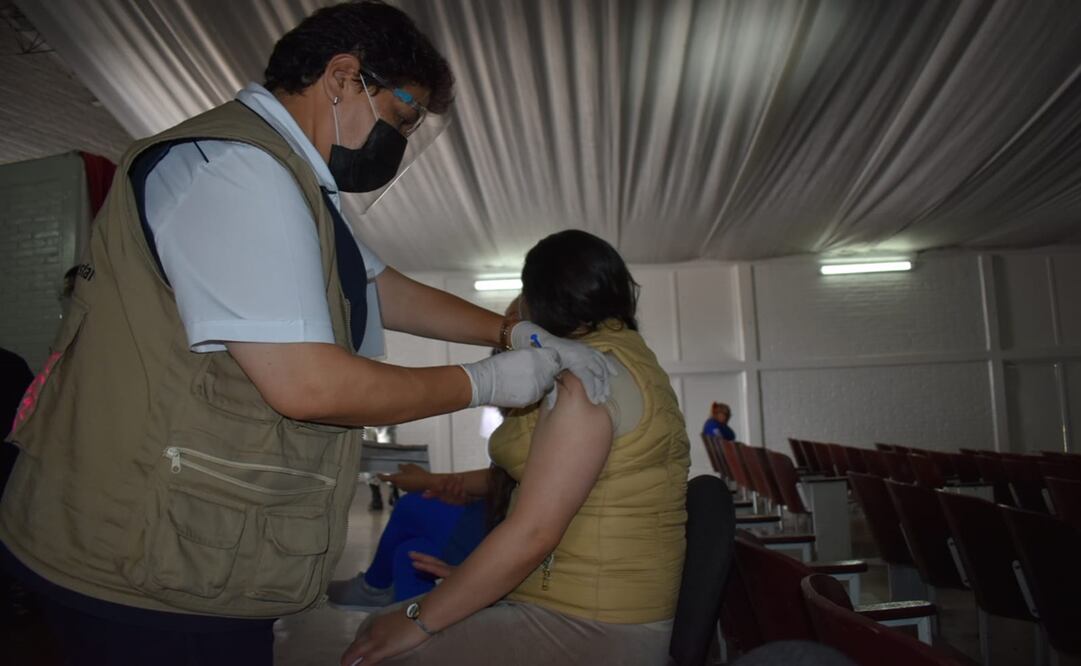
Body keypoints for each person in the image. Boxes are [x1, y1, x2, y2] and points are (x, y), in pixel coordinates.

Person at [0, 3, 614, 664]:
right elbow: (309, 385)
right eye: (402, 117)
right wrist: (487, 380)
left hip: (178, 544)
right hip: (141, 552)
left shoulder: (288, 177)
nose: (400, 140)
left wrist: (510, 330)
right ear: (343, 77)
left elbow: (379, 286)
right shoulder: (237, 170)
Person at [341, 230, 691, 666]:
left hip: (593, 624)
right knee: (384, 625)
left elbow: (534, 532)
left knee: (379, 647)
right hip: (591, 605)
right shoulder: (628, 359)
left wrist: (420, 620)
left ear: (541, 301)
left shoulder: (586, 379)